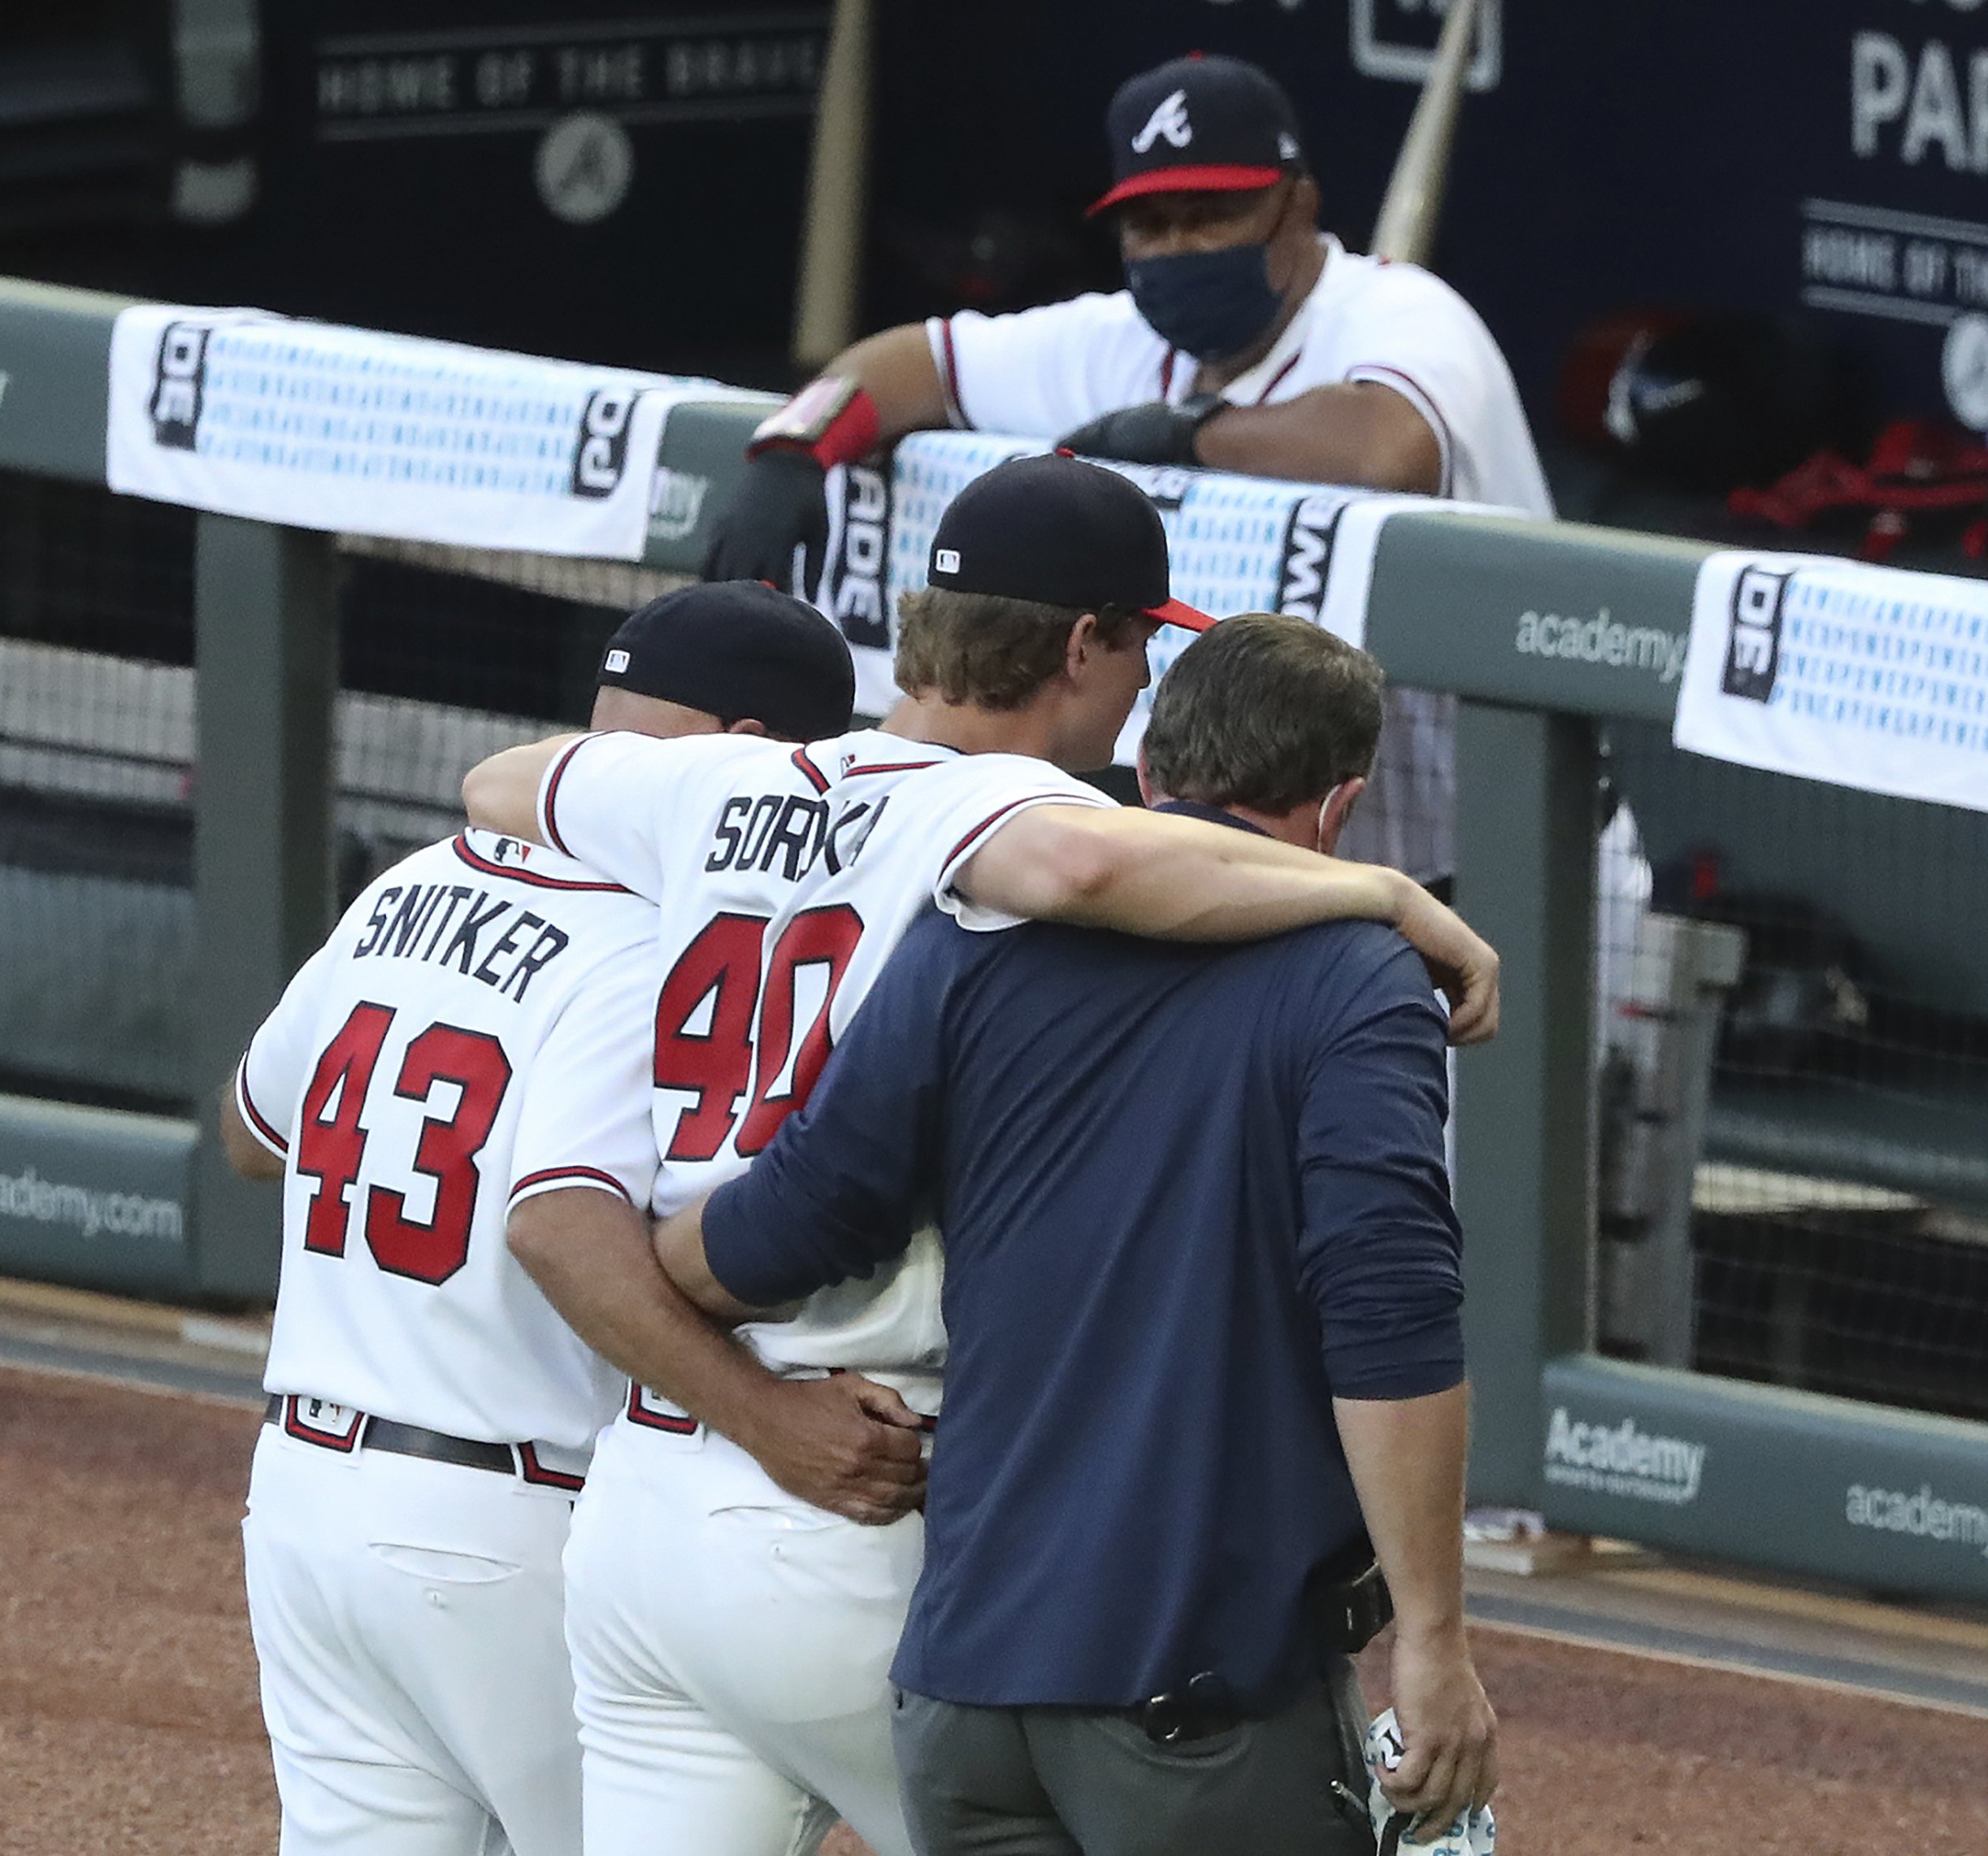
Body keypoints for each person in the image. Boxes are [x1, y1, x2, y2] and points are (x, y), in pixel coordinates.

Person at [460, 454, 1501, 1856]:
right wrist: (1378, 891)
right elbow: (1087, 872)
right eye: (1137, 644)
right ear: (1087, 643)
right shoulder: (1004, 819)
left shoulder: (722, 781)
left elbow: (498, 777)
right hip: (883, 1477)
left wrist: (708, 793)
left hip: (656, 1481)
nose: (1138, 689)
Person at [219, 582, 907, 1856]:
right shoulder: (662, 931)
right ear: (750, 748)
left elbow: (252, 1133)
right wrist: (768, 1419)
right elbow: (568, 1225)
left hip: (303, 1501)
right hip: (507, 1518)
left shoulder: (411, 879)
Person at [702, 50, 1553, 887]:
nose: (1179, 245)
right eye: (1150, 223)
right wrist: (793, 444)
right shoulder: (1116, 338)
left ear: (1297, 205)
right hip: (1283, 874)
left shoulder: (1398, 311)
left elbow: (1387, 446)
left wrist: (1193, 436)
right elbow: (910, 363)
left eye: (1210, 213)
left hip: (1502, 858)